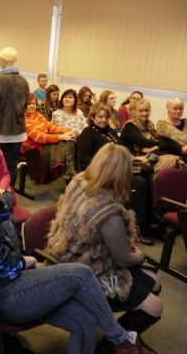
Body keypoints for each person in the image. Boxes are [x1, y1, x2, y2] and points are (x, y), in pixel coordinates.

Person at [0, 154, 153, 354]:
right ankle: (121, 339)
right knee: (80, 273)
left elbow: (13, 239)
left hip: (16, 280)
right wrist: (29, 260)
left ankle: (120, 340)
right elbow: (8, 261)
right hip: (1, 295)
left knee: (86, 320)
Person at [48, 143, 162, 352]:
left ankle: (128, 335)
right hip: (87, 274)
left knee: (154, 283)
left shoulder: (79, 180)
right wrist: (141, 257)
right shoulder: (107, 212)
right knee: (155, 305)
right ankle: (113, 345)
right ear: (122, 174)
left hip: (63, 259)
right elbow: (124, 260)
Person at [77, 103, 154, 245]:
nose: (103, 120)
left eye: (106, 117)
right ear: (92, 117)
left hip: (119, 169)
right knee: (139, 182)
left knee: (149, 177)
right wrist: (106, 164)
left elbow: (121, 149)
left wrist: (134, 158)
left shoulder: (110, 131)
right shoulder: (87, 133)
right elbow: (83, 158)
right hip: (102, 173)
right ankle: (135, 228)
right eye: (100, 117)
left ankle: (148, 222)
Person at [0, 47, 29, 187]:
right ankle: (9, 191)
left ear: (5, 61)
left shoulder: (0, 80)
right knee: (12, 164)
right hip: (18, 130)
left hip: (1, 129)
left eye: (0, 60)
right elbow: (25, 105)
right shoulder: (24, 81)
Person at [121, 98, 185, 171]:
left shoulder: (149, 124)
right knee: (172, 161)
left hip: (149, 157)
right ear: (135, 112)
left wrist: (153, 146)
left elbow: (162, 144)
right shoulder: (130, 126)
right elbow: (144, 142)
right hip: (132, 160)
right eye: (141, 111)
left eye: (146, 110)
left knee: (177, 160)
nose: (144, 113)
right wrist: (155, 144)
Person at [24, 94, 77, 181]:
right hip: (33, 147)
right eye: (28, 104)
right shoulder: (23, 119)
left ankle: (69, 170)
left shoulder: (37, 115)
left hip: (44, 144)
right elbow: (38, 137)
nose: (32, 106)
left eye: (33, 103)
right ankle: (69, 169)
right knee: (64, 141)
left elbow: (51, 127)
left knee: (69, 139)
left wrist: (67, 132)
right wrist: (61, 136)